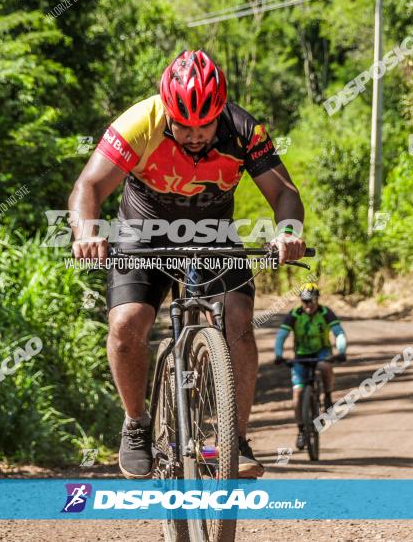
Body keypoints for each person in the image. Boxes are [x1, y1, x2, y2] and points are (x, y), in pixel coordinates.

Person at [68, 50, 306, 479]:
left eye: (206, 125)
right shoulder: (139, 124)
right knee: (126, 323)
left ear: (221, 114)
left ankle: (236, 440)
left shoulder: (245, 130)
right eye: (184, 126)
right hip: (144, 229)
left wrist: (288, 231)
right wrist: (87, 229)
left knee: (238, 317)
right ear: (166, 112)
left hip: (213, 231)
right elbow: (88, 185)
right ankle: (136, 423)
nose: (195, 136)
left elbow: (284, 192)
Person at [274, 282, 347, 450]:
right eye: (304, 301)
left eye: (311, 301)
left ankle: (327, 395)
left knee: (324, 365)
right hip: (301, 354)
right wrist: (279, 355)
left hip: (322, 351)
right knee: (298, 394)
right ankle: (301, 430)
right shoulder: (294, 314)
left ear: (317, 300)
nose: (308, 305)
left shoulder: (325, 312)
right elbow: (281, 336)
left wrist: (341, 350)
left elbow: (339, 333)